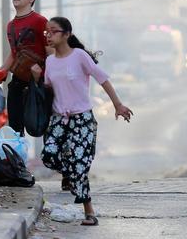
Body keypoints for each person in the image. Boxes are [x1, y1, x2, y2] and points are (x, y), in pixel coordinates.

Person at [31, 16, 133, 226]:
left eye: (53, 31)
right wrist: (36, 78)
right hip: (59, 120)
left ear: (66, 34)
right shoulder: (50, 62)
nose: (48, 35)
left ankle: (89, 212)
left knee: (78, 165)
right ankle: (70, 172)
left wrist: (118, 105)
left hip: (82, 120)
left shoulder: (79, 56)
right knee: (49, 155)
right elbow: (48, 90)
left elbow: (102, 79)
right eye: (46, 32)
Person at [0, 0, 50, 136]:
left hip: (38, 83)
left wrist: (46, 78)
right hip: (18, 82)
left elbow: (50, 52)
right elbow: (14, 53)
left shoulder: (40, 21)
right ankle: (18, 159)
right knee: (15, 131)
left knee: (42, 126)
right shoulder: (10, 26)